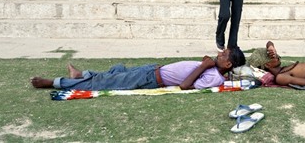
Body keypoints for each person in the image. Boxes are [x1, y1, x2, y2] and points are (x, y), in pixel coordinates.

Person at [31, 47, 245, 91]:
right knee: (118, 71)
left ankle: (54, 82)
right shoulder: (212, 68)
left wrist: (204, 66)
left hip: (151, 79)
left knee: (106, 83)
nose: (219, 54)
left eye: (223, 55)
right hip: (153, 70)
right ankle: (82, 75)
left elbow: (184, 85)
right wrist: (203, 65)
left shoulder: (214, 77)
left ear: (227, 65)